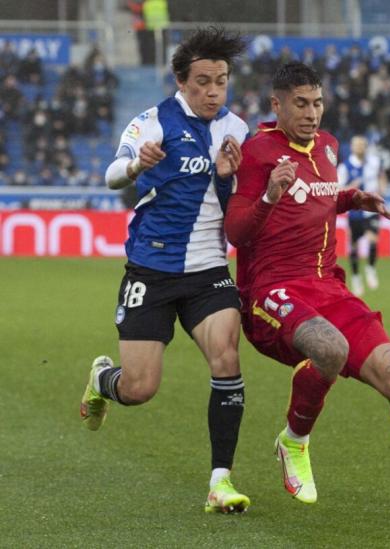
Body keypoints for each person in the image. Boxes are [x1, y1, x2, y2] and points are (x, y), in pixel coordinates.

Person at [225, 62, 390, 514]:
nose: (312, 113)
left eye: (317, 103)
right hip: (272, 293)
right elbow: (236, 231)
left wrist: (352, 200)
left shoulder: (328, 147)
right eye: (301, 104)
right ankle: (294, 442)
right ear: (277, 105)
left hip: (328, 289)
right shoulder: (258, 153)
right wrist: (271, 194)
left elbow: (321, 198)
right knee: (329, 349)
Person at [80, 27, 251, 514]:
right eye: (203, 81)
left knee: (226, 357)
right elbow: (113, 175)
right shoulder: (151, 123)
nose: (214, 90)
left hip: (208, 272)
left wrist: (229, 180)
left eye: (221, 80)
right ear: (181, 81)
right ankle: (101, 381)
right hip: (151, 271)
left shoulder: (238, 131)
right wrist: (136, 166)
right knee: (139, 388)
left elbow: (246, 196)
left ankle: (221, 482)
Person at [337, 135, 385, 297]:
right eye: (357, 144)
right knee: (354, 245)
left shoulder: (374, 162)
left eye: (363, 144)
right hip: (355, 211)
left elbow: (382, 175)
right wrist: (352, 186)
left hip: (371, 210)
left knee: (373, 239)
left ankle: (370, 268)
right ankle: (356, 277)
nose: (360, 147)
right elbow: (339, 190)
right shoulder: (345, 167)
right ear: (352, 147)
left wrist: (382, 190)